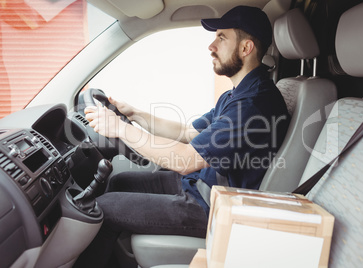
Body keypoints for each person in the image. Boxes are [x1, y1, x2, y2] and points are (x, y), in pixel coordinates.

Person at [75, 5, 290, 267]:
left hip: (212, 208)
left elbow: (186, 161)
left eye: (221, 38)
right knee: (119, 182)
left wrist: (120, 129)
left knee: (101, 207)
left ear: (246, 48)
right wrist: (135, 114)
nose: (211, 46)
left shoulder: (254, 105)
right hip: (201, 185)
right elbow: (188, 133)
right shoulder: (236, 94)